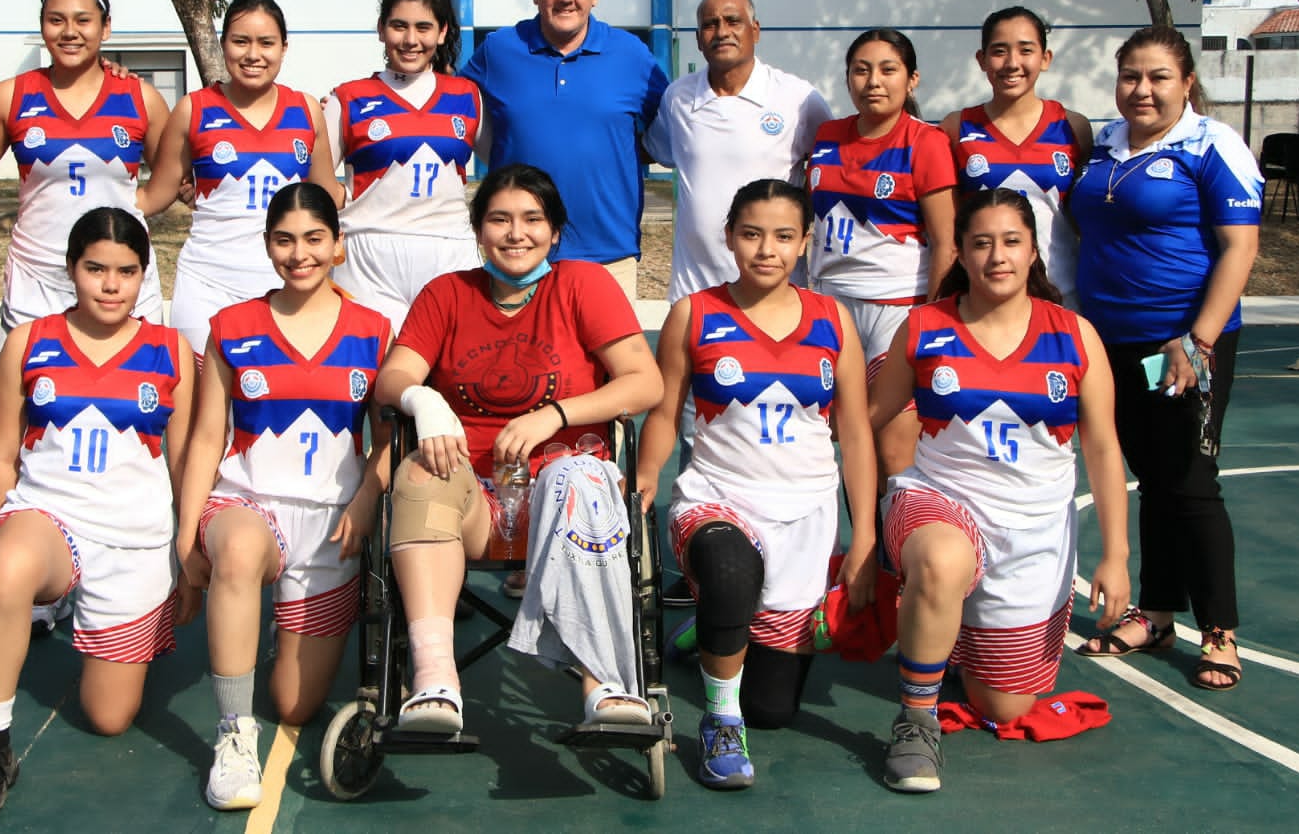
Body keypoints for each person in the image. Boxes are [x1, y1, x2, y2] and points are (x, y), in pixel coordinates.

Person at [377, 163, 663, 732]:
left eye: (533, 219)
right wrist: (423, 400)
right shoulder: (447, 294)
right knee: (418, 472)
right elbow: (393, 377)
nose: (516, 233)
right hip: (477, 503)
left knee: (577, 475)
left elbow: (643, 381)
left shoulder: (582, 284)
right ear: (478, 230)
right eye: (499, 219)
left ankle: (603, 682)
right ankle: (435, 681)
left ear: (555, 231)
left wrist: (553, 414)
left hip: (566, 497)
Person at [868, 188, 1130, 793]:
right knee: (939, 560)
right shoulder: (925, 328)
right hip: (940, 498)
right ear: (959, 250)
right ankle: (916, 719)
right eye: (980, 243)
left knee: (1005, 709)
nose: (997, 256)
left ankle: (949, 634)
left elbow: (1102, 449)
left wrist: (1115, 557)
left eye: (1011, 241)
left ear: (1035, 249)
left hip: (1034, 525)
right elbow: (861, 422)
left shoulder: (1075, 335)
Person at [0, 208, 195, 818]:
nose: (110, 285)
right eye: (95, 269)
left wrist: (186, 559)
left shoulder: (171, 350)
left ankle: (130, 635)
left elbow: (186, 464)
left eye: (126, 271)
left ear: (144, 276)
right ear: (71, 269)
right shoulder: (28, 341)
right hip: (49, 517)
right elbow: (2, 453)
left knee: (109, 717)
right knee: (6, 571)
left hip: (134, 536)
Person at [638, 179, 878, 790]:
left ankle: (718, 626)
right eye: (750, 234)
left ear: (804, 244)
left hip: (806, 511)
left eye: (782, 236)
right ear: (728, 238)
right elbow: (665, 413)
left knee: (773, 710)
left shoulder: (834, 321)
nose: (765, 249)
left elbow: (854, 434)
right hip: (721, 496)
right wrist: (643, 480)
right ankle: (720, 721)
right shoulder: (694, 313)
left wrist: (867, 534)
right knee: (727, 571)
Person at [174, 183, 391, 811]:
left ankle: (269, 630)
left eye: (314, 239)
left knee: (296, 703)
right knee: (238, 554)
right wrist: (187, 540)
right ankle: (233, 737)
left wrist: (363, 502)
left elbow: (384, 446)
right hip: (248, 503)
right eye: (284, 240)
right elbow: (207, 438)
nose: (299, 254)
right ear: (268, 245)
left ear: (339, 245)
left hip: (332, 526)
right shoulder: (232, 326)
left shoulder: (374, 331)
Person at [1069, 26, 1261, 692]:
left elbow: (1240, 247)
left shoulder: (1212, 146)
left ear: (1186, 83)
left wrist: (1198, 340)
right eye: (1130, 76)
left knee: (1191, 482)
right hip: (1109, 342)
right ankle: (1155, 613)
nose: (1141, 90)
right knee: (1148, 477)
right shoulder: (1104, 145)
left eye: (1156, 77)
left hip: (1181, 344)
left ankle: (1220, 632)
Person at [461, 0, 669, 296]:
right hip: (518, 251)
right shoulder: (499, 50)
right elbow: (452, 110)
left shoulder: (631, 55)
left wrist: (614, 152)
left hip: (608, 255)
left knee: (606, 356)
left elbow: (666, 131)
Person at [0, 0, 173, 331]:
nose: (70, 32)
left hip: (120, 272)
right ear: (42, 26)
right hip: (38, 277)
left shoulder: (141, 98)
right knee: (32, 387)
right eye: (57, 20)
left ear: (105, 28)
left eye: (83, 21)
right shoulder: (9, 96)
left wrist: (138, 205)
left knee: (129, 386)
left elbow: (176, 176)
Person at [152, 0, 344, 360]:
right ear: (223, 44)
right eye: (240, 41)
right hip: (207, 283)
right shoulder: (193, 108)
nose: (253, 54)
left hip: (286, 279)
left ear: (284, 48)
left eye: (266, 43)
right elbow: (154, 196)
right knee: (204, 407)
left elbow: (327, 196)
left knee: (271, 404)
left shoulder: (306, 110)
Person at [808, 28, 957, 480]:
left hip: (896, 309)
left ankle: (901, 549)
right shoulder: (827, 134)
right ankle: (864, 552)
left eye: (888, 70)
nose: (873, 81)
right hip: (831, 307)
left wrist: (931, 321)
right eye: (861, 70)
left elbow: (946, 241)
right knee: (845, 450)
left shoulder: (925, 142)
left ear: (912, 80)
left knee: (893, 450)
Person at [644, 0, 833, 304]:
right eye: (710, 24)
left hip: (773, 293)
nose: (722, 32)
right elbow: (654, 150)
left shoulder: (798, 98)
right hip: (696, 292)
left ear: (755, 30)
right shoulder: (677, 98)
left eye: (733, 21)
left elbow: (831, 170)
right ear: (698, 39)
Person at [324, 0, 482, 331]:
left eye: (423, 27)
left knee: (448, 374)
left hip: (449, 250)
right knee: (376, 371)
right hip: (368, 253)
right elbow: (315, 182)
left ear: (442, 32)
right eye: (399, 26)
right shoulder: (346, 98)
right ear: (381, 29)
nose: (411, 39)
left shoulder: (468, 96)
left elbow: (503, 166)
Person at [939, 7, 1092, 307]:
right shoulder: (956, 127)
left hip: (1061, 293)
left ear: (1045, 59)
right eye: (999, 51)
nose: (1012, 63)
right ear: (981, 60)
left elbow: (1082, 220)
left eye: (1025, 50)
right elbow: (947, 228)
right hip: (983, 295)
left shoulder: (1073, 126)